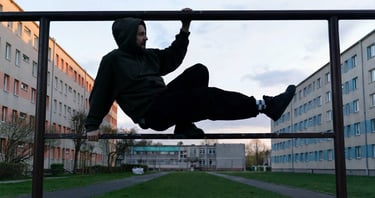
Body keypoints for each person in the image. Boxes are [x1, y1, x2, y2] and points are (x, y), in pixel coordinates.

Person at [85, 8, 296, 141]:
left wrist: (184, 28)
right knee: (207, 97)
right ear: (128, 36)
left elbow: (173, 56)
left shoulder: (148, 56)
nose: (146, 38)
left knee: (199, 72)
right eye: (141, 34)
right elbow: (101, 94)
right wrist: (92, 126)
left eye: (145, 33)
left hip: (165, 99)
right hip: (151, 112)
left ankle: (183, 125)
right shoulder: (113, 60)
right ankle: (265, 106)